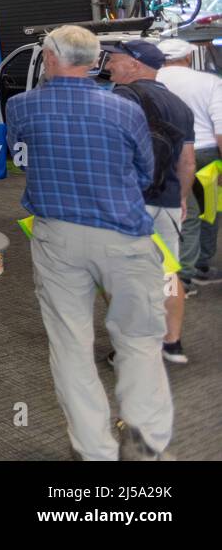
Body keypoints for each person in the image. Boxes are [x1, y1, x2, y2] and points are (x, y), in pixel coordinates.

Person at [5, 25, 172, 461]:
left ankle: (94, 450)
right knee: (138, 337)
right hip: (124, 234)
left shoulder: (22, 106)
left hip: (57, 235)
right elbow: (143, 171)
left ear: (49, 57)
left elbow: (19, 154)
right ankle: (145, 436)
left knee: (70, 344)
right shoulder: (124, 109)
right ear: (95, 61)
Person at [105, 40, 195, 366]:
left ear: (135, 64)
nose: (109, 64)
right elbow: (187, 161)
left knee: (126, 276)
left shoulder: (121, 98)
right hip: (168, 201)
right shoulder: (180, 105)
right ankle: (172, 341)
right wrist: (182, 198)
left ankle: (132, 348)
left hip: (130, 203)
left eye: (115, 59)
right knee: (167, 273)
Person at [156, 38, 222, 288]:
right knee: (209, 209)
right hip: (206, 154)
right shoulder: (209, 82)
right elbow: (220, 127)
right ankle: (195, 269)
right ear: (187, 57)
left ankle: (176, 269)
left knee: (179, 212)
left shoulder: (154, 80)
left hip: (165, 153)